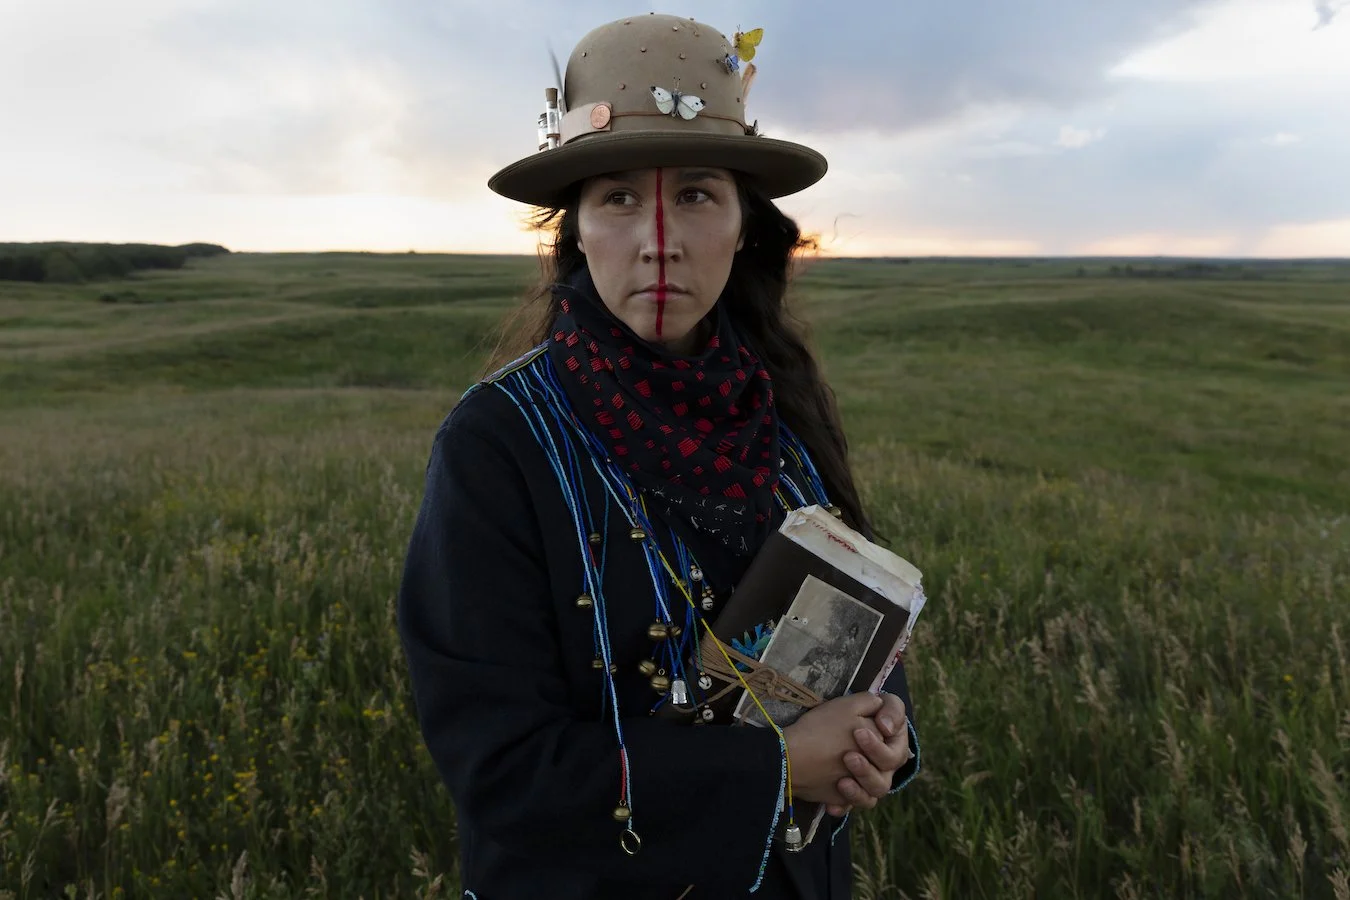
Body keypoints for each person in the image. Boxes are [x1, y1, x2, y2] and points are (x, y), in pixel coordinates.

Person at [397, 13, 920, 899]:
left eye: (698, 195)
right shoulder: (498, 446)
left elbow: (849, 616)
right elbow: (501, 768)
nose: (660, 239)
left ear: (745, 226)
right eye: (619, 198)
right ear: (575, 230)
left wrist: (882, 730)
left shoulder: (780, 408)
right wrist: (777, 768)